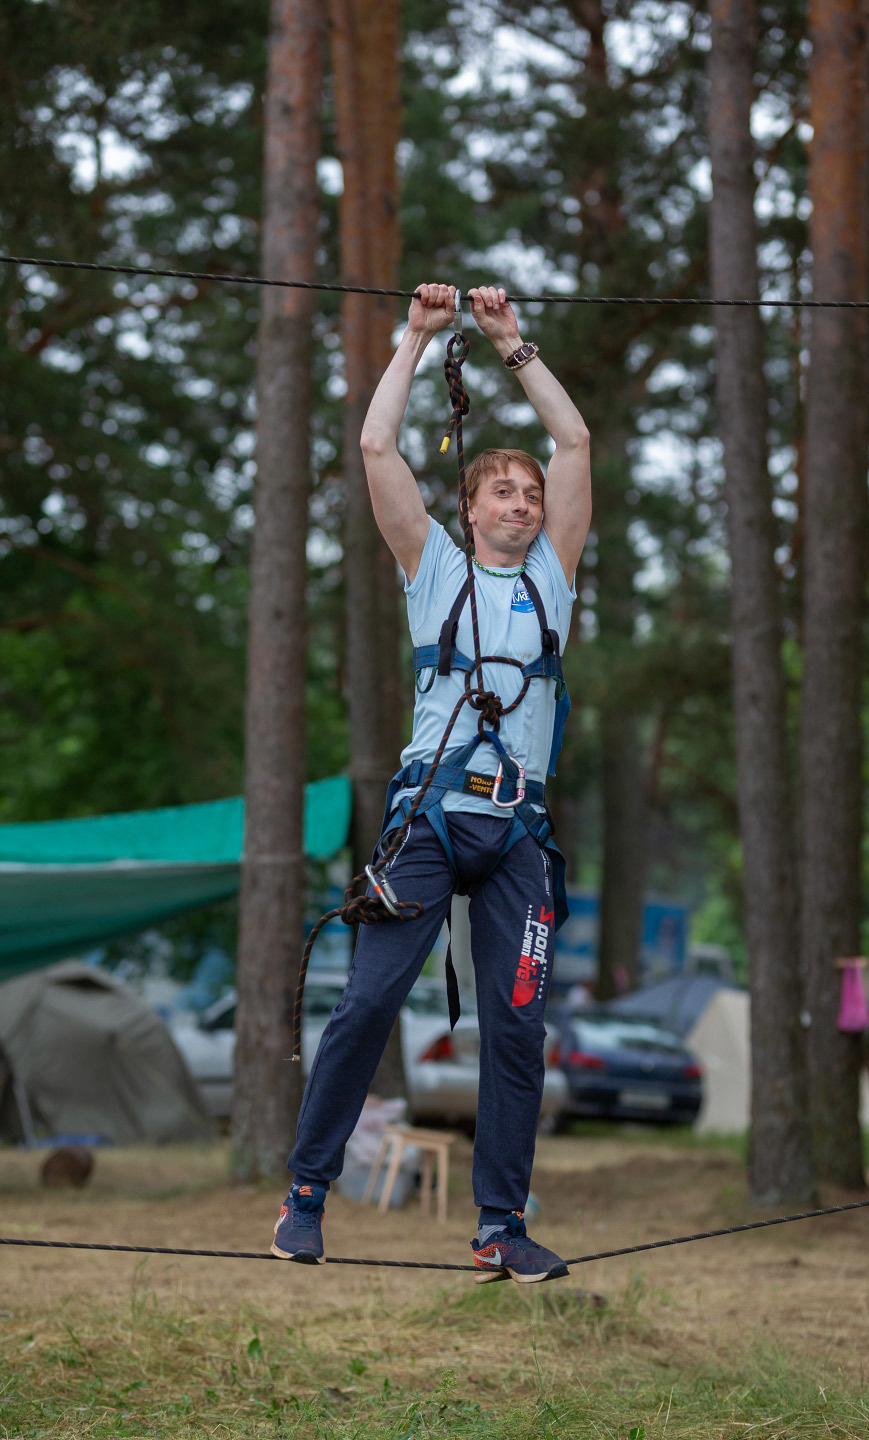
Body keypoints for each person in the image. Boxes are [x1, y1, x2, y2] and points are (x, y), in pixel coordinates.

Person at [271, 283, 591, 1283]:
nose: (524, 502)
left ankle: (501, 1224)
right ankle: (306, 1196)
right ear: (468, 507)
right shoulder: (436, 570)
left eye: (531, 494)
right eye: (505, 492)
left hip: (518, 836)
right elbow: (376, 448)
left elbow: (575, 441)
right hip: (428, 822)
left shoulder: (553, 578)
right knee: (368, 1004)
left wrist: (509, 342)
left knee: (518, 1028)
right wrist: (414, 338)